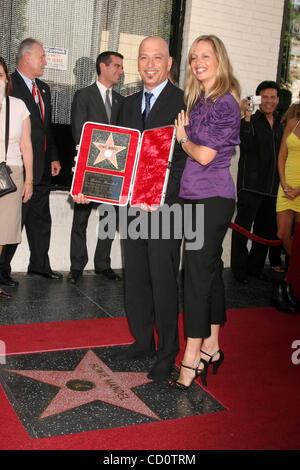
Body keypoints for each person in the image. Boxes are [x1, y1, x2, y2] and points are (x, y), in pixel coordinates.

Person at [112, 36, 187, 381]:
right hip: (130, 207)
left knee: (163, 282)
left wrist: (160, 198)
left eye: (157, 58)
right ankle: (143, 340)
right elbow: (115, 153)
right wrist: (92, 185)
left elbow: (188, 161)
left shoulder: (184, 102)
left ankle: (167, 352)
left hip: (165, 211)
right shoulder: (126, 104)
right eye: (144, 58)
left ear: (169, 63)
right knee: (137, 278)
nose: (150, 64)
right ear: (137, 62)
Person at [169, 34, 241, 390]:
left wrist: (183, 138)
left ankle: (191, 358)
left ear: (219, 59)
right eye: (194, 57)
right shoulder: (199, 101)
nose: (198, 62)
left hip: (211, 199)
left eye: (205, 56)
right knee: (208, 273)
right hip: (195, 196)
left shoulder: (224, 103)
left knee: (194, 279)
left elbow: (204, 155)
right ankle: (212, 346)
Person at [0, 38, 62, 285]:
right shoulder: (9, 86)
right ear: (26, 58)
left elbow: (47, 128)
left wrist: (54, 156)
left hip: (43, 168)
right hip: (19, 169)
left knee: (41, 219)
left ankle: (40, 265)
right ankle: (3, 270)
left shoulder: (44, 89)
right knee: (15, 222)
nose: (45, 62)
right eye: (42, 57)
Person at [67, 51, 124, 284]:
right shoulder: (84, 96)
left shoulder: (122, 101)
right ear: (103, 66)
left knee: (109, 217)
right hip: (89, 169)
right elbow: (79, 132)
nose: (121, 71)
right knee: (80, 219)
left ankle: (103, 264)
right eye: (117, 66)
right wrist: (103, 154)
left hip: (115, 171)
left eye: (121, 67)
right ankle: (77, 266)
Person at [230, 81, 283, 283]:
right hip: (250, 186)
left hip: (272, 188)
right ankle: (239, 270)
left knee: (265, 230)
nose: (269, 101)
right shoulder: (251, 120)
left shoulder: (280, 125)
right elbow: (244, 143)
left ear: (277, 100)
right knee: (243, 228)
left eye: (273, 97)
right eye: (265, 97)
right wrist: (247, 116)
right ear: (259, 99)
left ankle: (255, 267)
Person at [0, 57, 33, 299]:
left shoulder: (19, 105)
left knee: (3, 233)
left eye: (1, 76)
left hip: (11, 173)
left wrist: (29, 179)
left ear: (7, 79)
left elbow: (26, 145)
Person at [271, 102, 300, 312]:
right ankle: (295, 273)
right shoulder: (292, 122)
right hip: (286, 185)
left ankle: (293, 282)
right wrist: (283, 182)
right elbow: (282, 154)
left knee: (298, 237)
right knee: (282, 233)